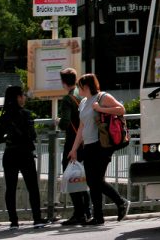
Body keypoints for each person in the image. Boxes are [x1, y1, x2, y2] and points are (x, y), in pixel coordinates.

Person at [67, 73, 129, 225]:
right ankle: (98, 216)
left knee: (97, 180)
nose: (78, 89)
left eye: (80, 86)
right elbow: (81, 127)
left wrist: (100, 108)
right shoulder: (83, 103)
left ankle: (121, 202)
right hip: (88, 145)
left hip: (102, 145)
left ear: (86, 86)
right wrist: (74, 148)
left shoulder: (102, 97)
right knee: (92, 181)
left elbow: (121, 110)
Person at [0, 85, 45, 228]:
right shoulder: (26, 114)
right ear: (18, 97)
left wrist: (9, 138)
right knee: (32, 188)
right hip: (25, 155)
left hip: (10, 154)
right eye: (22, 95)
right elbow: (32, 135)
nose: (24, 98)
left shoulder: (4, 116)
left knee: (10, 188)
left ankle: (14, 221)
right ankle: (37, 219)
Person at [58, 68, 92, 225]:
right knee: (82, 175)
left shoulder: (67, 99)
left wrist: (58, 122)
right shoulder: (81, 95)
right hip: (86, 141)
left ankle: (79, 213)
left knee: (71, 175)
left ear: (64, 82)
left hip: (73, 143)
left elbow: (65, 123)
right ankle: (87, 211)